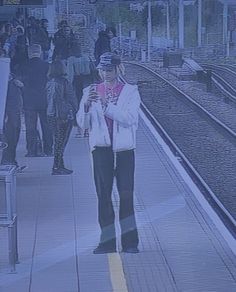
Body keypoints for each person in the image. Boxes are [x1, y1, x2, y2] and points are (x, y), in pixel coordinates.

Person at [77, 52, 140, 254]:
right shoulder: (90, 91)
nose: (106, 74)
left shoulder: (130, 92)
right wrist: (86, 106)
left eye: (110, 70)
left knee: (126, 195)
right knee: (103, 196)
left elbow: (130, 119)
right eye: (103, 70)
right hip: (101, 150)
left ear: (118, 69)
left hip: (124, 151)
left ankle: (130, 243)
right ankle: (107, 242)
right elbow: (82, 124)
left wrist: (106, 106)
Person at [46, 60, 78, 175]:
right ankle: (57, 166)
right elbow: (66, 99)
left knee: (58, 141)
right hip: (61, 116)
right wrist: (71, 112)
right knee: (61, 142)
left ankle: (60, 165)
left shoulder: (50, 82)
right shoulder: (63, 83)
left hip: (52, 115)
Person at [22, 44, 53, 157]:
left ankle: (32, 150)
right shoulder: (47, 66)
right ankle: (48, 149)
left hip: (29, 101)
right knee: (47, 126)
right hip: (45, 100)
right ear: (40, 52)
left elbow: (21, 83)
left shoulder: (24, 66)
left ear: (29, 53)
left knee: (31, 127)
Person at [1, 73, 23, 167]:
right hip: (10, 113)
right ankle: (8, 161)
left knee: (13, 136)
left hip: (14, 112)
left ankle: (11, 160)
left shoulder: (12, 81)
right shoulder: (6, 83)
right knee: (10, 136)